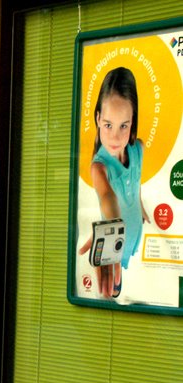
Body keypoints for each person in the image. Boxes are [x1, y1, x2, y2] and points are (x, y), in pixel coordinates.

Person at [80, 66, 150, 298]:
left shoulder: (138, 148)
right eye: (108, 125)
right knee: (115, 287)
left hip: (134, 237)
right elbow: (107, 197)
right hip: (114, 249)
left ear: (132, 124)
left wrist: (138, 205)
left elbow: (136, 179)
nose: (115, 136)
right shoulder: (99, 168)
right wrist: (109, 237)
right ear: (98, 119)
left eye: (124, 126)